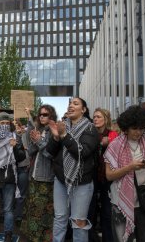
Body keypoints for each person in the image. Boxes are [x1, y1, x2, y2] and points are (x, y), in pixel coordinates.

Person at [104, 105, 145, 242]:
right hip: (121, 202)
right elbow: (109, 175)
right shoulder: (114, 146)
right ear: (126, 128)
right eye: (134, 128)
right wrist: (130, 167)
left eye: (141, 128)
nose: (138, 132)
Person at [47, 97, 99, 242]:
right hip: (61, 180)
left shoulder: (90, 129)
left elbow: (82, 153)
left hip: (82, 183)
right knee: (60, 217)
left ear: (83, 110)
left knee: (78, 222)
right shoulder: (63, 126)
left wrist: (64, 136)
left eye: (75, 104)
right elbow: (50, 152)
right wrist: (56, 137)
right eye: (70, 103)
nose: (71, 106)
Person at [0, 112, 26, 242]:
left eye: (7, 123)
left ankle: (8, 233)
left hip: (9, 178)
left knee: (8, 208)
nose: (5, 125)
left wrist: (14, 148)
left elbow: (21, 157)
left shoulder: (15, 138)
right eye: (2, 123)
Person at [20, 105, 57, 242]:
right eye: (40, 114)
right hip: (34, 176)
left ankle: (43, 238)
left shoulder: (54, 132)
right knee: (32, 209)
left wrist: (39, 141)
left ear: (51, 116)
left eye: (45, 114)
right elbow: (30, 152)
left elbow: (49, 154)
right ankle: (33, 237)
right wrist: (33, 140)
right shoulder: (38, 130)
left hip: (46, 178)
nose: (42, 116)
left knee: (44, 212)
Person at [88, 108, 118, 242]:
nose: (95, 119)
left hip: (107, 178)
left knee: (107, 212)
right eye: (94, 117)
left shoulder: (112, 135)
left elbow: (116, 155)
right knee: (90, 211)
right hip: (91, 177)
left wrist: (107, 144)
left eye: (98, 117)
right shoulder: (90, 134)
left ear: (105, 119)